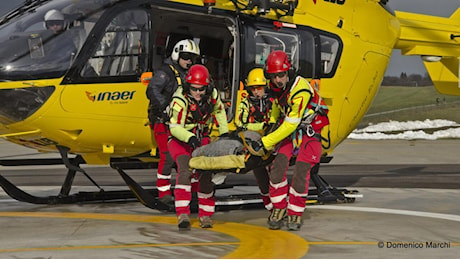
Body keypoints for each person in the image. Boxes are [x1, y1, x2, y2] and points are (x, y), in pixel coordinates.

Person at [251, 50, 329, 231]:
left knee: (301, 172)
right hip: (292, 131)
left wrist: (265, 142)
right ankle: (280, 208)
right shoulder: (278, 87)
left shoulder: (300, 90)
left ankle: (295, 211)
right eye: (274, 76)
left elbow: (291, 124)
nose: (278, 80)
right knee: (277, 168)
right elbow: (280, 106)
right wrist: (271, 123)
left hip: (310, 131)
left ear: (289, 72)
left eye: (281, 75)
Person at [168, 64, 229, 230]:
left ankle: (206, 215)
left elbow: (220, 111)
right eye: (194, 89)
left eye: (201, 89)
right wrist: (190, 138)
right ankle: (182, 213)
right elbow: (174, 127)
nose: (197, 93)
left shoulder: (212, 96)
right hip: (179, 139)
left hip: (202, 137)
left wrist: (224, 134)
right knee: (185, 169)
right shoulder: (179, 100)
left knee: (205, 174)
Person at [146, 39, 200, 207]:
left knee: (186, 157)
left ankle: (189, 190)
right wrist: (165, 107)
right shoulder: (166, 72)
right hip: (163, 122)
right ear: (177, 54)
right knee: (167, 157)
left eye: (192, 58)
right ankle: (163, 193)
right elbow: (152, 90)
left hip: (182, 124)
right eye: (186, 57)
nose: (189, 61)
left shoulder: (188, 74)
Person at [235, 67, 279, 211]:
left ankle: (279, 202)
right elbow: (240, 124)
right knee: (260, 173)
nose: (256, 92)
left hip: (273, 140)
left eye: (259, 88)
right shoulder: (245, 103)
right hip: (255, 143)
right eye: (252, 88)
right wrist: (261, 125)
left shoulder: (274, 101)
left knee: (276, 172)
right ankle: (268, 203)